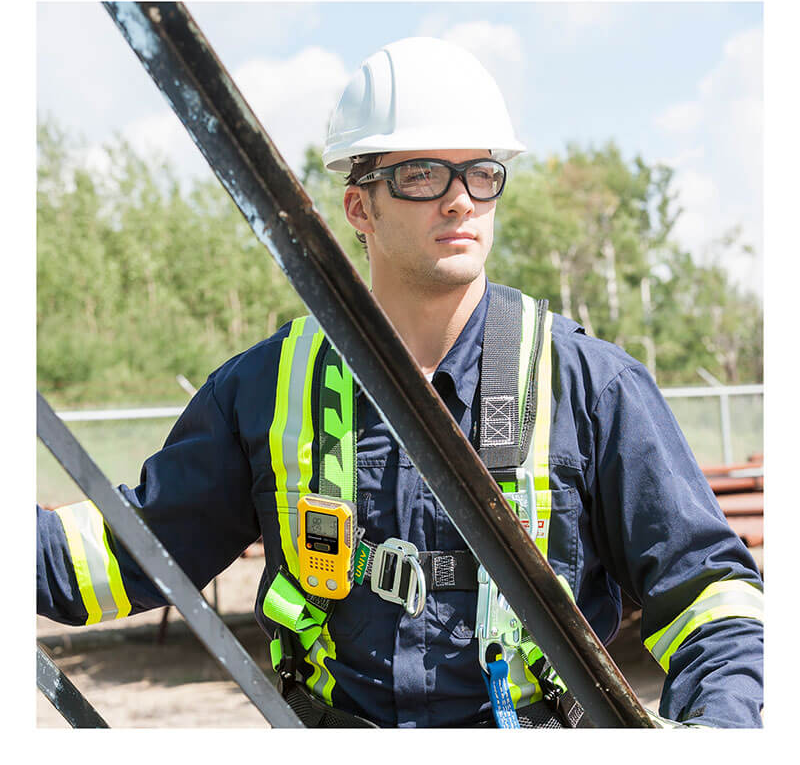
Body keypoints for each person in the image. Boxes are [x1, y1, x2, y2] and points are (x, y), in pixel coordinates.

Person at [36, 36, 763, 728]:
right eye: (422, 174)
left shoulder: (589, 386)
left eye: (481, 174)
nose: (460, 201)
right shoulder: (266, 389)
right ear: (360, 206)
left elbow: (708, 593)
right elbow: (119, 559)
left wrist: (719, 727)